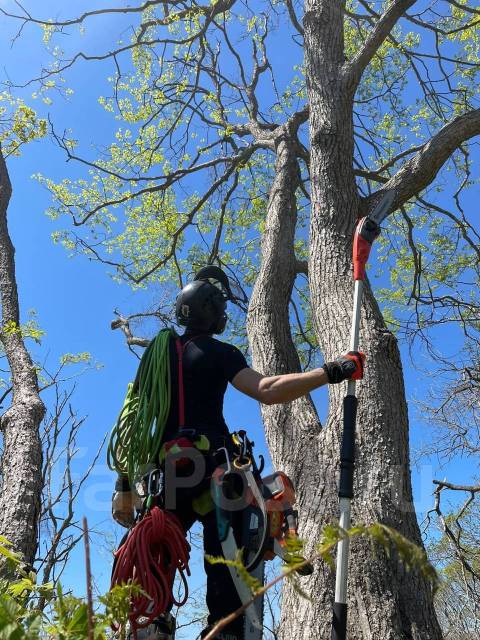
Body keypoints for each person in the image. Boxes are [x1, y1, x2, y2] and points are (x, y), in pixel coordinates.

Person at [112, 266, 365, 640]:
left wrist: (124, 486)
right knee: (235, 550)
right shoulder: (220, 352)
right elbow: (266, 388)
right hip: (217, 472)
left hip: (167, 479)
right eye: (219, 307)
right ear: (208, 310)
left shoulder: (156, 358)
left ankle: (151, 624)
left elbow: (132, 422)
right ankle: (225, 627)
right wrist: (331, 371)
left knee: (153, 556)